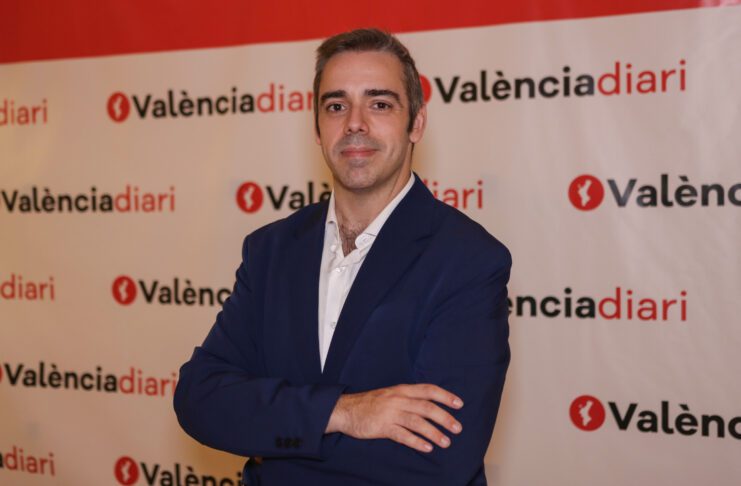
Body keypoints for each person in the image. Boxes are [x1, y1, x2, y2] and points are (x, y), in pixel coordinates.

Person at [174, 28, 511, 486]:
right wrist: (344, 413)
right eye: (336, 106)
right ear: (317, 129)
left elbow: (438, 461)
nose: (355, 123)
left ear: (416, 123)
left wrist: (273, 440)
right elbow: (201, 399)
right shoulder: (271, 250)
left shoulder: (468, 260)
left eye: (380, 104)